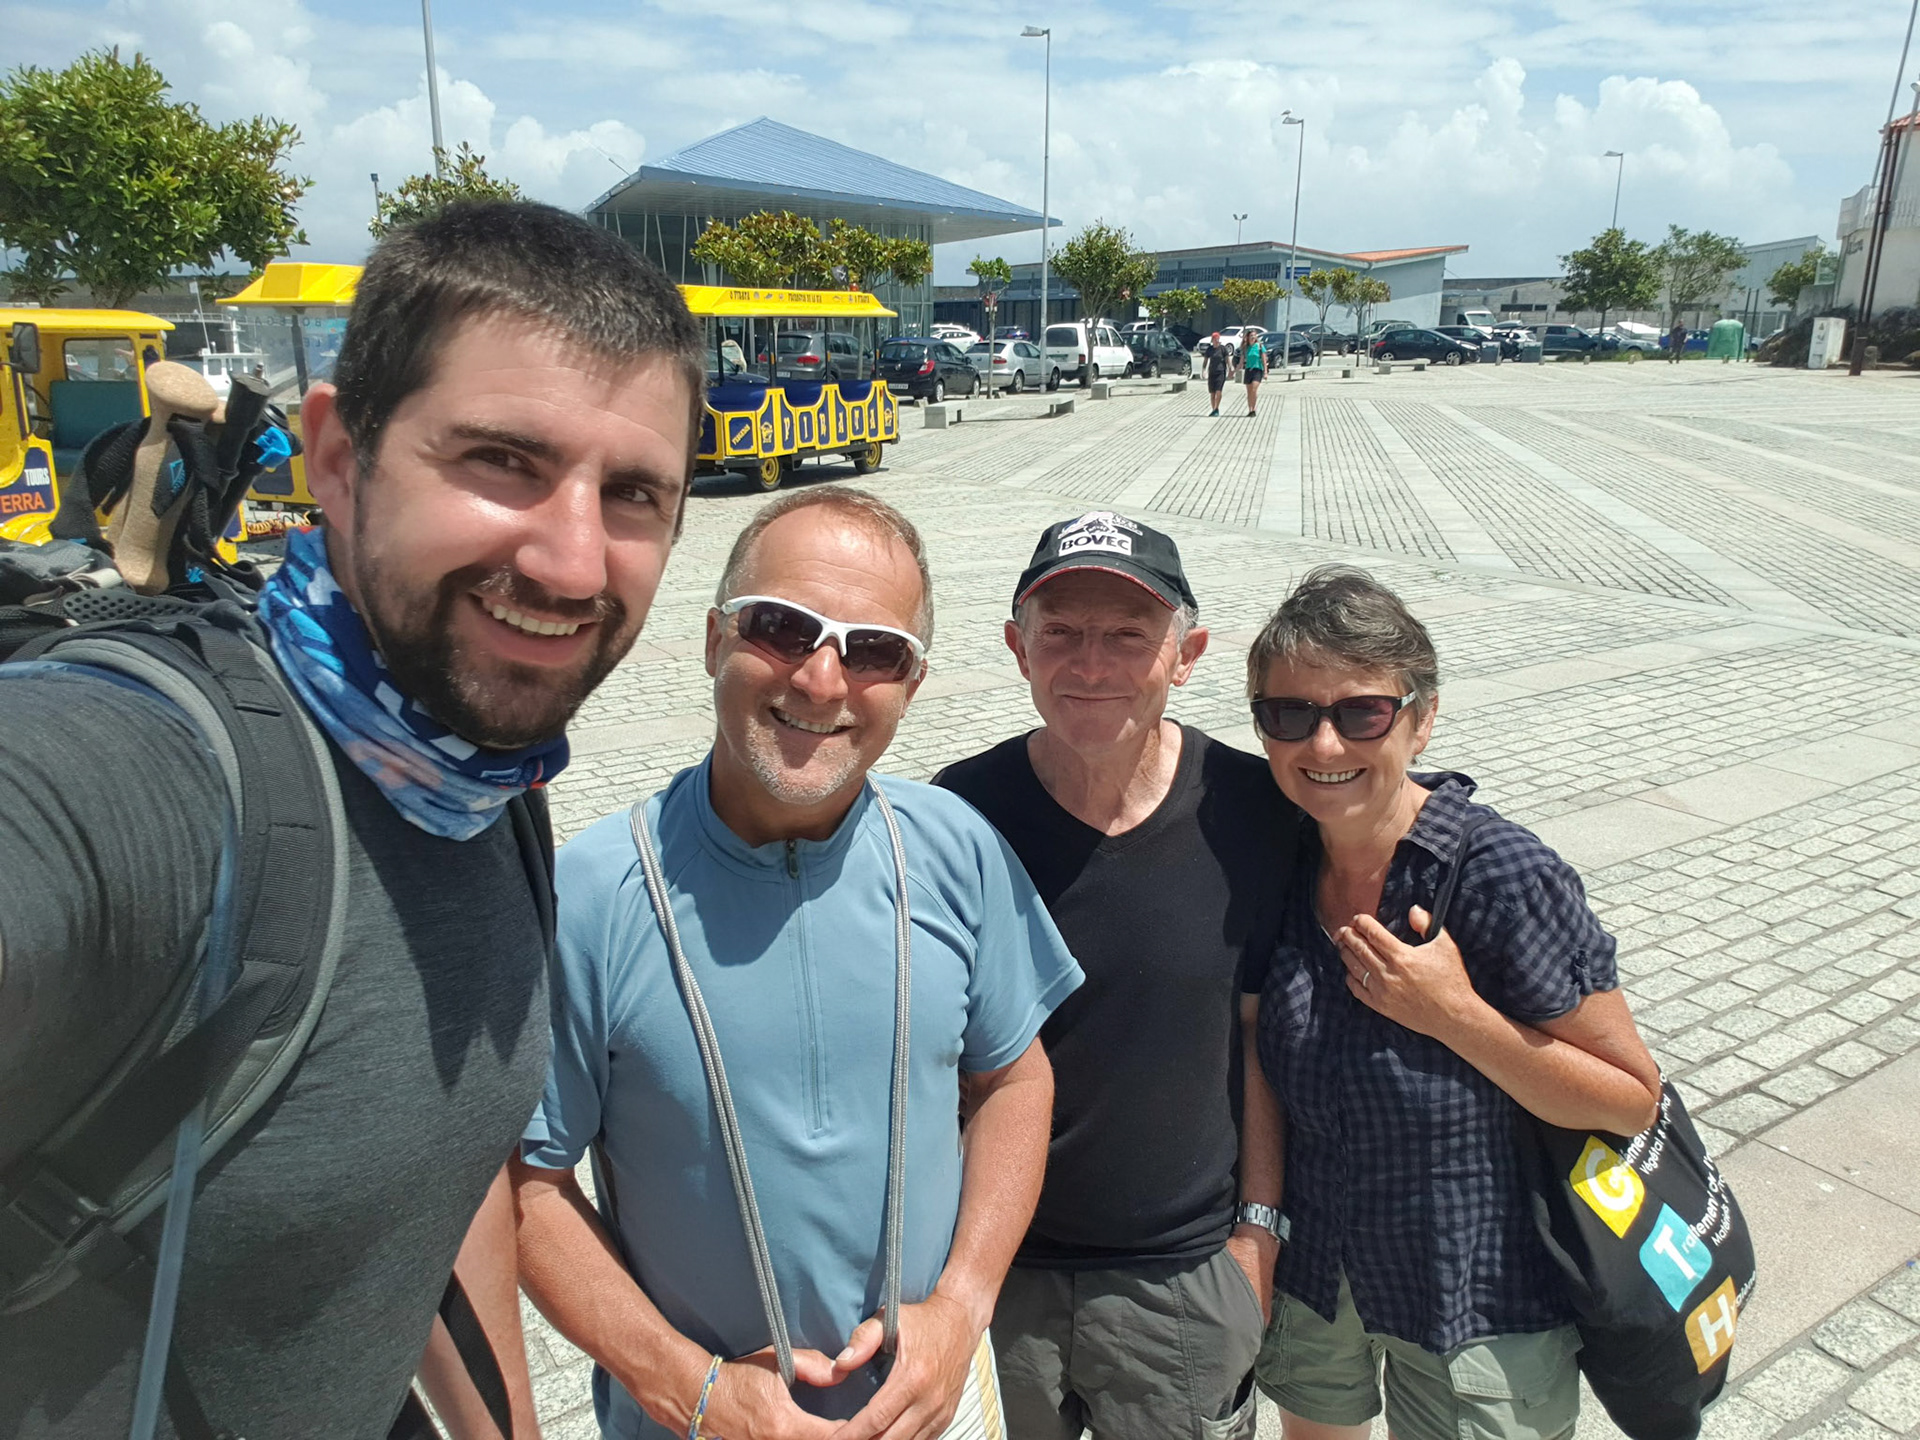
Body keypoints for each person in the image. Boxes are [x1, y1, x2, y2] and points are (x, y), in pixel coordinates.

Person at [0, 200, 707, 1437]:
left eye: (635, 494)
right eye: (503, 461)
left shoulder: (484, 787)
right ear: (335, 458)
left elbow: (439, 1162)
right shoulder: (162, 773)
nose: (574, 563)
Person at [512, 488, 1084, 1440]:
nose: (822, 680)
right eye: (781, 628)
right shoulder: (596, 893)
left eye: (874, 650)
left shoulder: (954, 847)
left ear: (912, 683)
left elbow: (1015, 1078)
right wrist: (688, 1389)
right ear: (713, 641)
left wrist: (962, 1306)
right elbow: (523, 1182)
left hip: (932, 1406)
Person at [1244, 565, 1663, 1440]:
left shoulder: (1500, 875)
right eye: (1290, 714)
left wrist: (1454, 1015)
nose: (1325, 745)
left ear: (1422, 717)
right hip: (1319, 1271)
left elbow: (1630, 1100)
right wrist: (1260, 1226)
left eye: (1362, 712)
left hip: (1475, 1291)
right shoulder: (1280, 860)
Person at [935, 510, 1299, 1440]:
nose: (1090, 665)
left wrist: (1256, 1239)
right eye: (1061, 631)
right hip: (996, 1272)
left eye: (1129, 635)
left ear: (1187, 655)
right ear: (1018, 648)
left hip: (1182, 1279)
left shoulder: (1251, 809)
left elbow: (1261, 1033)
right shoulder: (962, 812)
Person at [1242, 332, 1267, 416]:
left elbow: (1264, 360)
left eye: (1254, 335)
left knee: (1254, 389)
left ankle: (1254, 409)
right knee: (1249, 392)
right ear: (1248, 337)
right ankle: (1250, 410)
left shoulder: (1260, 347)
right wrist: (1234, 371)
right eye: (1251, 335)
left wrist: (1265, 372)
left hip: (1257, 370)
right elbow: (1241, 361)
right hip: (1248, 370)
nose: (1253, 337)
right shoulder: (1246, 347)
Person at [1206, 333, 1230, 416]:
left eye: (1217, 339)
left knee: (1218, 391)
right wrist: (1203, 370)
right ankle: (1214, 409)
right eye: (1215, 339)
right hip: (1212, 372)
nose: (1216, 340)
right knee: (1212, 393)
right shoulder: (1209, 349)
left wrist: (1230, 368)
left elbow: (1227, 359)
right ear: (1212, 340)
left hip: (1221, 372)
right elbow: (1205, 360)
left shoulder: (1223, 349)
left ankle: (1217, 408)